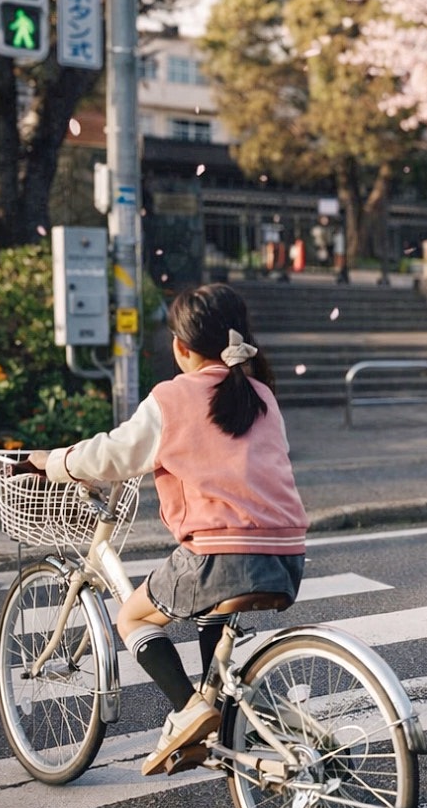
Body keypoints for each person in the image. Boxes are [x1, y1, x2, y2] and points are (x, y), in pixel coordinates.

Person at [28, 283, 308, 776]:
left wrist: (51, 461)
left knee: (131, 619)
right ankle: (221, 712)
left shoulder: (171, 398)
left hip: (220, 555)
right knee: (208, 613)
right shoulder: (261, 394)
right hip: (286, 555)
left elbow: (112, 454)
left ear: (180, 347)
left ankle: (188, 709)